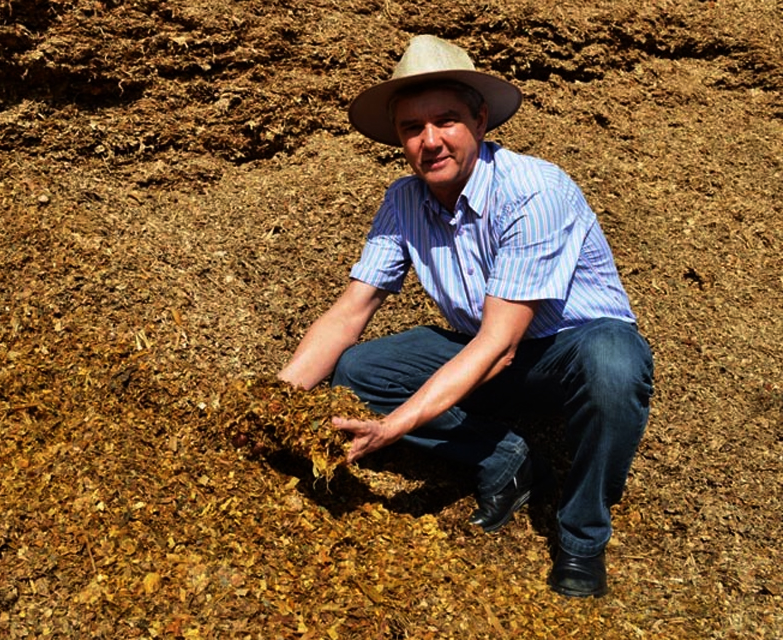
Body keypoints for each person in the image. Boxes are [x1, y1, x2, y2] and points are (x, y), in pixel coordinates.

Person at [277, 34, 654, 598]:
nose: (430, 141)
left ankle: (581, 536)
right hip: (484, 350)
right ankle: (508, 456)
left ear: (480, 120)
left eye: (446, 120)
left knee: (615, 362)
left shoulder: (534, 190)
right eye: (412, 128)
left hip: (565, 355)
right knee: (358, 370)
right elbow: (349, 312)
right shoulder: (404, 201)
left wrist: (392, 428)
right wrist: (274, 402)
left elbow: (502, 344)